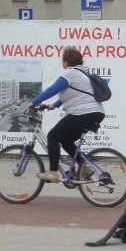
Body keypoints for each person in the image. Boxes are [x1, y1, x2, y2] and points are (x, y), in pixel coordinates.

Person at [28, 46, 105, 183]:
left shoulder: (70, 73)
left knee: (53, 136)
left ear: (66, 62)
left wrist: (33, 102)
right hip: (96, 112)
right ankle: (85, 167)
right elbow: (75, 94)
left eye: (62, 61)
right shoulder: (84, 74)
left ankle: (52, 173)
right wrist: (55, 105)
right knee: (66, 140)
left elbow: (52, 90)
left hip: (82, 113)